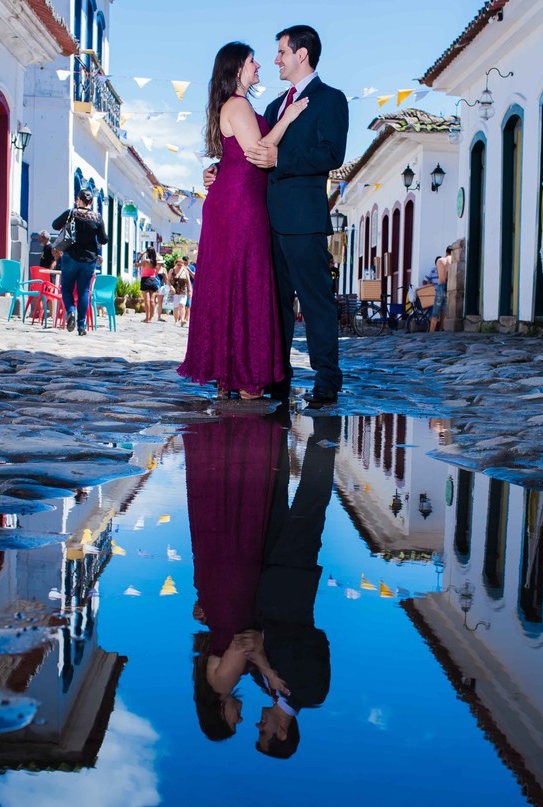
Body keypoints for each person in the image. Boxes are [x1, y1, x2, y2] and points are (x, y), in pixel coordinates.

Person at [179, 41, 310, 400]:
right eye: (253, 61)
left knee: (236, 284)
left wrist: (216, 170)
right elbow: (256, 152)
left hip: (239, 200)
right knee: (242, 283)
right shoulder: (237, 105)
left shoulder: (240, 105)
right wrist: (288, 118)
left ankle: (231, 375)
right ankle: (244, 376)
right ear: (237, 69)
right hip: (239, 207)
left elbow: (236, 155)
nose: (260, 66)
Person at [247, 25, 349, 407]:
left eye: (281, 52)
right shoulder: (275, 108)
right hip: (268, 223)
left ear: (301, 54)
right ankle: (279, 376)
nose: (276, 59)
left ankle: (327, 380)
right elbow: (256, 156)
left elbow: (331, 154)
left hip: (305, 221)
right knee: (277, 306)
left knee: (316, 302)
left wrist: (281, 159)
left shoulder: (331, 100)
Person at [186, 412, 290, 741]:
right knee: (219, 518)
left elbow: (242, 644)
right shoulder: (207, 679)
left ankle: (247, 439)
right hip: (217, 589)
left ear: (219, 715)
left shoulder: (221, 685)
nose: (241, 718)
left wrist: (270, 673)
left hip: (234, 593)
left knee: (240, 522)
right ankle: (224, 439)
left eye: (234, 723)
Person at [251, 412, 338, 759]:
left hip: (267, 574)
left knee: (272, 490)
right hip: (295, 579)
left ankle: (278, 418)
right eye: (264, 733)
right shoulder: (313, 692)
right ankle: (327, 427)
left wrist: (268, 669)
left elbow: (252, 639)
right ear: (282, 732)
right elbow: (316, 641)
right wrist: (270, 660)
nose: (258, 726)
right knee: (312, 497)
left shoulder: (262, 683)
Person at [51, 189, 108, 335]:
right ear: (92, 202)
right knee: (84, 291)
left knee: (66, 289)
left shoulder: (71, 213)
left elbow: (55, 225)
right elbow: (104, 239)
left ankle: (70, 311)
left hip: (70, 256)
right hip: (89, 259)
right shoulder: (97, 218)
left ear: (78, 199)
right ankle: (81, 326)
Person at [430, 245, 451, 333]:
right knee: (444, 310)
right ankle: (441, 329)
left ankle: (431, 331)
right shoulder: (452, 260)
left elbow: (439, 275)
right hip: (449, 286)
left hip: (440, 285)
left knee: (435, 311)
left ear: (446, 252)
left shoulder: (439, 260)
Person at [138, 247, 159, 323]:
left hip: (145, 280)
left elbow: (136, 264)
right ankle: (151, 317)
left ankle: (147, 318)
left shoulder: (146, 261)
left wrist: (140, 256)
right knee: (152, 300)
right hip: (153, 280)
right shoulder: (155, 262)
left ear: (147, 253)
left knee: (147, 300)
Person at [170, 258, 192, 326]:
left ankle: (182, 320)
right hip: (174, 291)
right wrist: (171, 287)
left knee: (182, 305)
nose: (180, 266)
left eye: (181, 265)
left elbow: (188, 282)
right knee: (176, 307)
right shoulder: (172, 270)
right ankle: (176, 321)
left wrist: (190, 291)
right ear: (175, 264)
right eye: (178, 264)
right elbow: (168, 280)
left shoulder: (185, 271)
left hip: (183, 291)